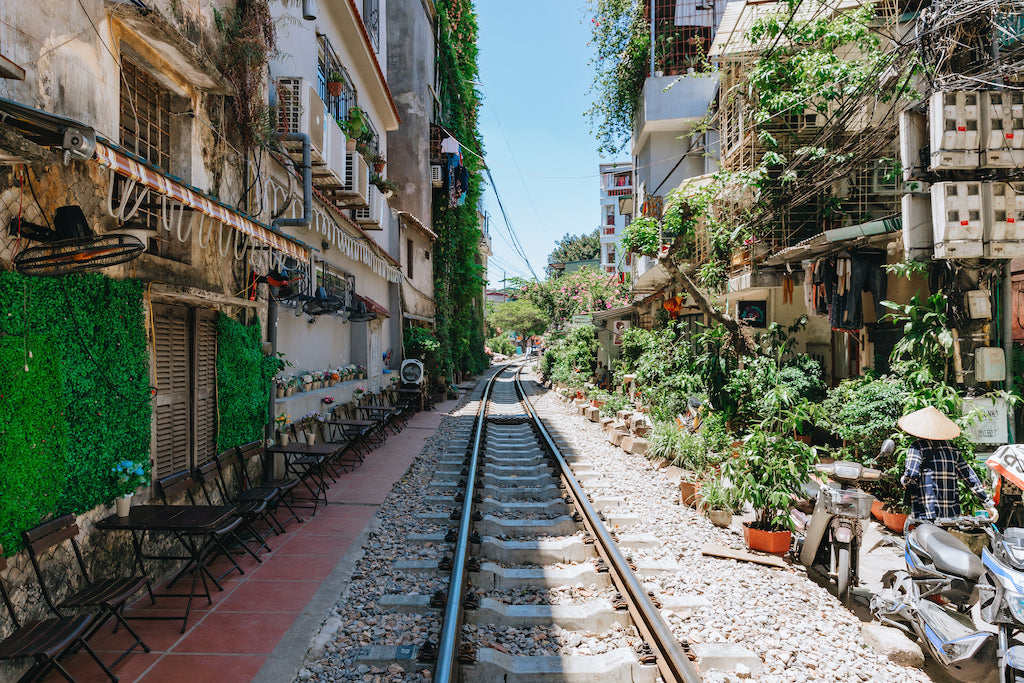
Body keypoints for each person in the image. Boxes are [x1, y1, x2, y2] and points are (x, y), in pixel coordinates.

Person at [898, 406, 997, 521]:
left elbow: (911, 475)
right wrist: (987, 504)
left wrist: (903, 481)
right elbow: (970, 477)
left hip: (926, 513)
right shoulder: (952, 449)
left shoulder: (917, 447)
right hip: (951, 515)